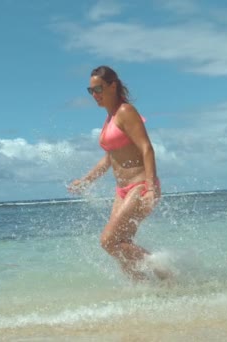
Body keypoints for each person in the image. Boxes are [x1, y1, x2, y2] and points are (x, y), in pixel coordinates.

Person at [68, 65, 166, 281]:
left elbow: (147, 148)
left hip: (140, 186)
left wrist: (150, 188)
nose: (95, 95)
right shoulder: (110, 118)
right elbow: (110, 158)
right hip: (121, 191)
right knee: (121, 245)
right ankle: (143, 288)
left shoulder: (125, 112)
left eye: (99, 89)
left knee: (108, 241)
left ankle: (166, 273)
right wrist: (87, 181)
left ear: (113, 86)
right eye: (91, 90)